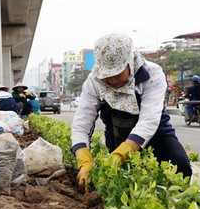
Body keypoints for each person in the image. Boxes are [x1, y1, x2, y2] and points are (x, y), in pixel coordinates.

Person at [71, 33, 192, 188]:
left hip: (157, 135)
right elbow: (82, 123)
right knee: (121, 184)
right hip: (117, 137)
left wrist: (123, 153)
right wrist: (83, 158)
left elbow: (149, 120)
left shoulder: (152, 74)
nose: (112, 80)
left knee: (179, 164)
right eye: (107, 76)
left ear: (129, 62)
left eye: (117, 74)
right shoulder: (93, 81)